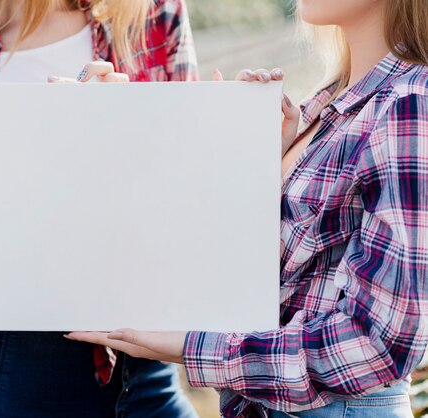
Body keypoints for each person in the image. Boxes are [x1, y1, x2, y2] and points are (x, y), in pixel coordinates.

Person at [67, 0, 428, 417]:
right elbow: (253, 268)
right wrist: (125, 123)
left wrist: (194, 347)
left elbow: (381, 343)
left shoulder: (410, 105)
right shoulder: (329, 104)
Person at [0, 0, 199, 416]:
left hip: (149, 375)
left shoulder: (152, 16)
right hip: (17, 378)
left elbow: (192, 211)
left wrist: (131, 139)